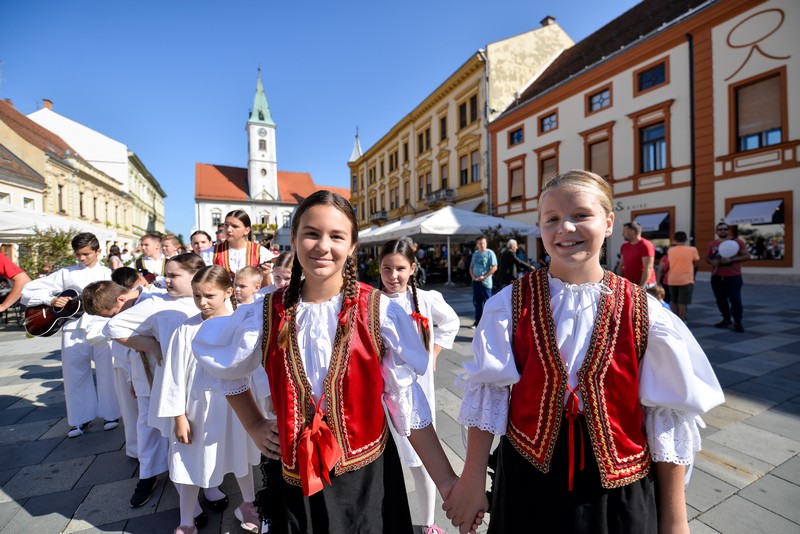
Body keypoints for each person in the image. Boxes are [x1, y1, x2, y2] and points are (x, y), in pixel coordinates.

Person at [443, 170, 724, 534]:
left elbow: (666, 414)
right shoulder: (508, 305)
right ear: (540, 227)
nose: (566, 229)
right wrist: (471, 478)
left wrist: (675, 520)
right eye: (552, 219)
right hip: (528, 480)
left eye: (580, 216)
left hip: (618, 488)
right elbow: (488, 392)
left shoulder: (646, 312)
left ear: (608, 223)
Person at [192, 190, 473, 533]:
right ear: (293, 238)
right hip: (295, 477)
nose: (323, 245)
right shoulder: (265, 313)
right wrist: (253, 423)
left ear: (352, 245)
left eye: (336, 236)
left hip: (367, 478)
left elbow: (405, 401)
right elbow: (227, 370)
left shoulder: (378, 312)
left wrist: (446, 482)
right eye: (311, 233)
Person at [159, 265, 262, 534]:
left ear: (228, 292)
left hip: (234, 408)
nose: (202, 303)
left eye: (209, 296)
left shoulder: (241, 324)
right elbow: (173, 374)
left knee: (240, 455)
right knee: (190, 458)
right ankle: (186, 521)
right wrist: (178, 415)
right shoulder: (185, 329)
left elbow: (254, 369)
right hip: (195, 409)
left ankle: (249, 503)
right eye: (196, 296)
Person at [102, 253, 207, 510]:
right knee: (149, 425)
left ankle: (204, 482)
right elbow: (113, 328)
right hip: (157, 376)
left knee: (194, 429)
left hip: (196, 379)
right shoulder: (156, 299)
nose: (166, 280)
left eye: (173, 275)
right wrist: (147, 344)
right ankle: (148, 475)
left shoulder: (204, 301)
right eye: (166, 274)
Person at [379, 238, 460, 534]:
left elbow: (450, 322)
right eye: (387, 268)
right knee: (388, 456)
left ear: (412, 268)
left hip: (417, 390)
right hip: (382, 392)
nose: (393, 275)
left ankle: (428, 521)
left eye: (400, 268)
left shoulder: (426, 299)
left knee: (421, 459)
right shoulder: (372, 302)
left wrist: (435, 352)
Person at [20, 233, 120, 438]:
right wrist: (51, 299)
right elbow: (28, 290)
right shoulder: (66, 273)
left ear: (98, 251)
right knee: (74, 374)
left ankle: (111, 414)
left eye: (86, 254)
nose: (81, 259)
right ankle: (80, 419)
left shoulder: (110, 274)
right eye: (78, 255)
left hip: (102, 326)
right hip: (73, 328)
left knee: (107, 371)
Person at [201, 210, 274, 277]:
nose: (228, 229)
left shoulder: (262, 253)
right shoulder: (210, 254)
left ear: (246, 230)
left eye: (235, 226)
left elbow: (271, 287)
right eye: (226, 225)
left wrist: (266, 275)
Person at [705, 222, 749, 332]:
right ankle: (726, 319)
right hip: (717, 276)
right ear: (716, 231)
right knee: (721, 300)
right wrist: (713, 262)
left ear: (728, 230)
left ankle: (738, 322)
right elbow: (707, 258)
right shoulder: (713, 244)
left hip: (733, 276)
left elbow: (746, 255)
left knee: (735, 300)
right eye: (720, 229)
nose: (722, 231)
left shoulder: (737, 242)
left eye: (724, 229)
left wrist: (732, 260)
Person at [666, 231, 700, 322]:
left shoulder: (670, 250)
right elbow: (697, 263)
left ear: (675, 239)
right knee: (682, 303)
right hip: (686, 279)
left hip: (672, 278)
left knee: (673, 301)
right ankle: (682, 322)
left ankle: (673, 320)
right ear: (686, 239)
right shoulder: (692, 250)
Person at [617, 221, 656, 288]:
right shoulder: (624, 246)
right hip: (629, 284)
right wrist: (619, 282)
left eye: (625, 231)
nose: (622, 234)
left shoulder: (646, 245)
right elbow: (621, 265)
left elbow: (648, 267)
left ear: (632, 232)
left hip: (645, 285)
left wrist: (642, 286)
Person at [469, 236, 497, 328]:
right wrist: (473, 276)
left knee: (488, 303)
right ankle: (478, 322)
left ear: (486, 244)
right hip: (476, 281)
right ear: (477, 244)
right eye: (480, 243)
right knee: (477, 303)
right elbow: (471, 267)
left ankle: (490, 322)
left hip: (486, 282)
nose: (482, 245)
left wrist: (484, 277)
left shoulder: (490, 253)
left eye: (484, 243)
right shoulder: (475, 253)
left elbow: (494, 267)